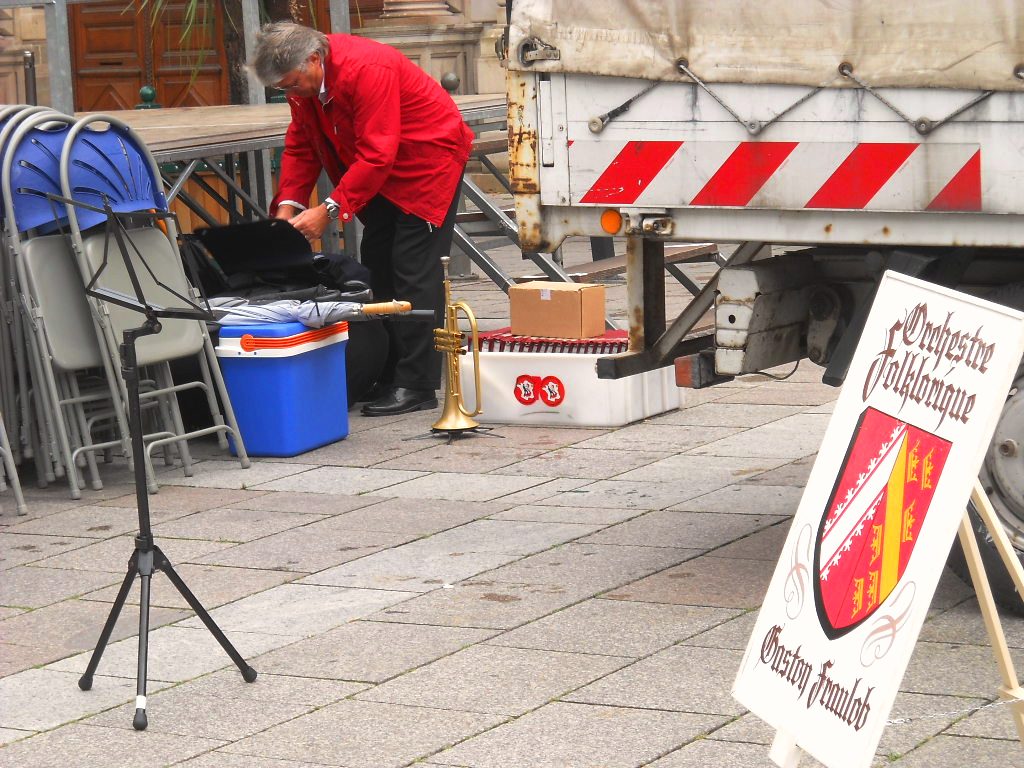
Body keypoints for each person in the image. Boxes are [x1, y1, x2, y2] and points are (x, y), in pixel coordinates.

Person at [249, 22, 473, 416]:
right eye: (281, 88)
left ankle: (418, 383)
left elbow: (378, 152)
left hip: (425, 164)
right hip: (377, 173)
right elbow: (302, 144)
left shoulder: (368, 69)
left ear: (314, 59)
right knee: (378, 267)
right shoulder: (304, 82)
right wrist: (288, 207)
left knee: (413, 272)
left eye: (292, 84)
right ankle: (390, 373)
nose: (289, 93)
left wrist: (330, 209)